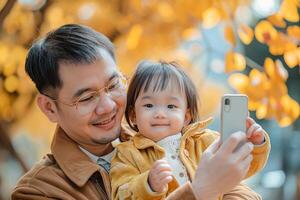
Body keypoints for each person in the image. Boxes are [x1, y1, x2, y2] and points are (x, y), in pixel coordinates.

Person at [12, 24, 268, 200]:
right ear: (49, 107)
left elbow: (244, 191)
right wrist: (200, 191)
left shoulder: (168, 140)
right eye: (87, 97)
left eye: (114, 85)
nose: (109, 106)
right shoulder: (40, 190)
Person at [110, 60, 271, 199]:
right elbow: (119, 193)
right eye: (149, 105)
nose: (160, 113)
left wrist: (256, 144)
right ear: (133, 116)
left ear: (186, 116)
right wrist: (147, 184)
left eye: (171, 106)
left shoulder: (204, 141)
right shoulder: (127, 154)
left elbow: (241, 167)